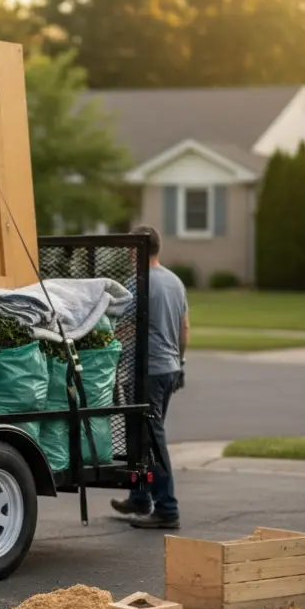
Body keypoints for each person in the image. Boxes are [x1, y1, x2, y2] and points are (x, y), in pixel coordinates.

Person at [112, 224, 188, 529]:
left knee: (151, 440)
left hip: (147, 372)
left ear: (136, 249)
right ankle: (139, 497)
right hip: (169, 368)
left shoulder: (137, 282)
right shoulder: (175, 282)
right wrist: (181, 362)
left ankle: (167, 509)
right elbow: (185, 327)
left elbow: (120, 325)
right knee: (140, 438)